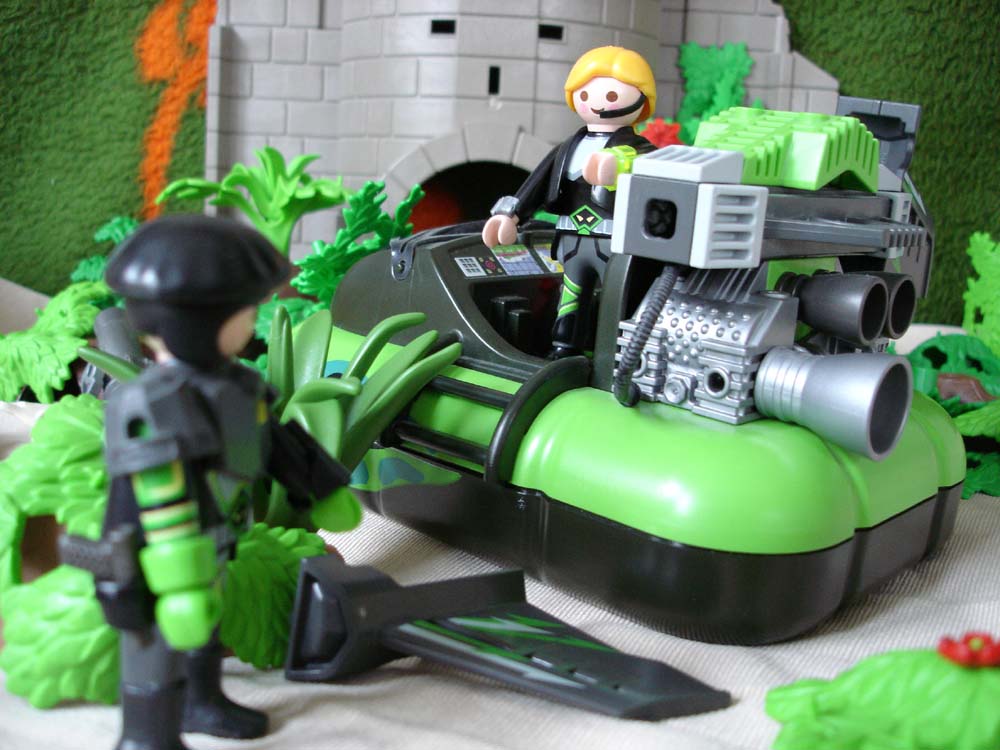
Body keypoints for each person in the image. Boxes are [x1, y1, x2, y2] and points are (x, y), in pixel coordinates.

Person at [95, 214, 360, 750]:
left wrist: (321, 484)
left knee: (205, 623)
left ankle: (202, 701)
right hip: (156, 552)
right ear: (195, 321)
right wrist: (120, 577)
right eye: (244, 312)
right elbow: (129, 496)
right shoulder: (149, 405)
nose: (252, 322)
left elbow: (278, 442)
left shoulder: (238, 387)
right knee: (153, 644)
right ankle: (146, 735)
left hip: (214, 534)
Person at [482, 46, 657, 358]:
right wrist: (509, 214)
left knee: (620, 300)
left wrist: (618, 163)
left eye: (612, 95)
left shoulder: (637, 149)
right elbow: (537, 182)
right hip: (572, 239)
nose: (598, 103)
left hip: (615, 240)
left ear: (642, 97)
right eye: (585, 94)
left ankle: (618, 355)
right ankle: (564, 346)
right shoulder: (568, 148)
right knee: (571, 294)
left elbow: (644, 166)